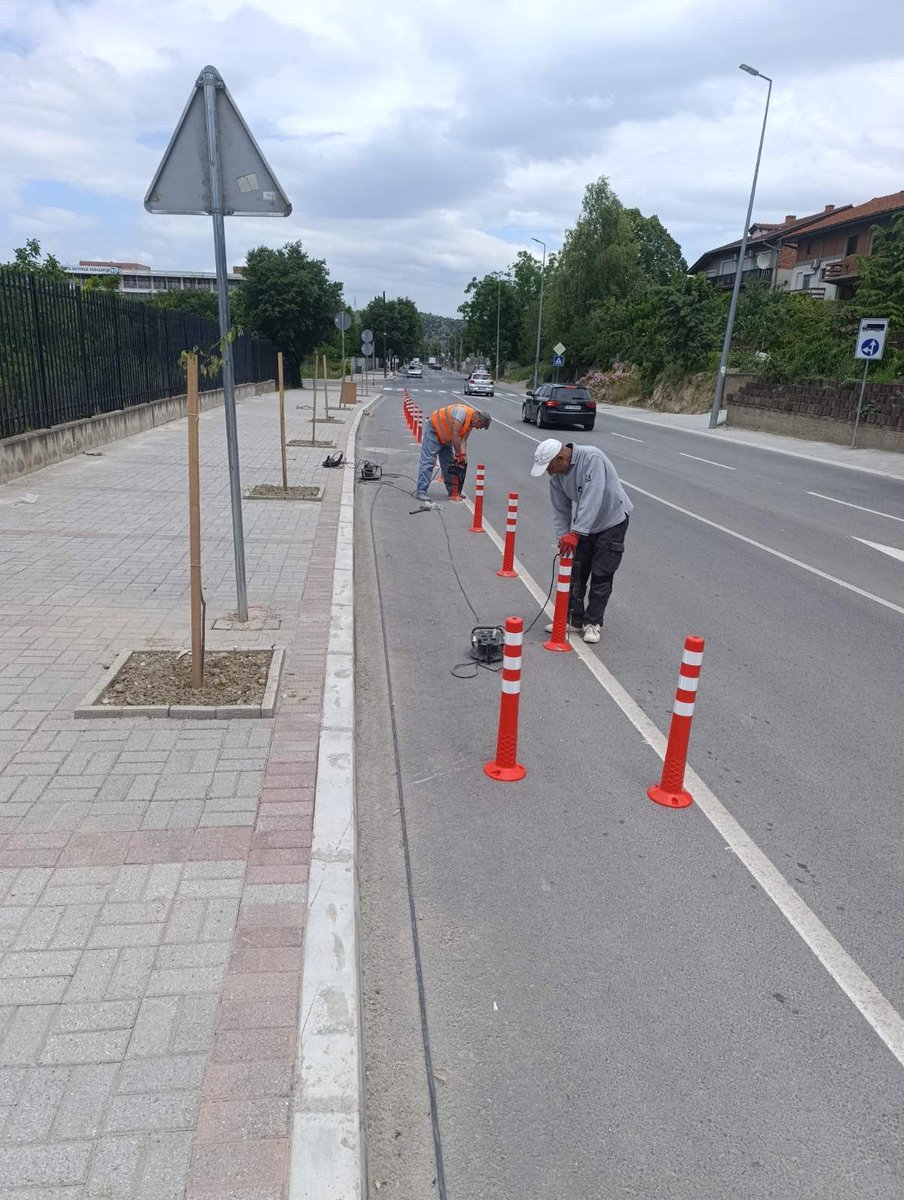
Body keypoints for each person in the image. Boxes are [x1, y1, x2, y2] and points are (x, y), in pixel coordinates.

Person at [530, 438, 632, 644]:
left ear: (561, 457)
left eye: (550, 467)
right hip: (585, 525)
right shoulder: (557, 478)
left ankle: (593, 623)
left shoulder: (591, 458)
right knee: (577, 570)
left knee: (602, 574)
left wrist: (575, 533)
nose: (549, 473)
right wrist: (563, 540)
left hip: (612, 521)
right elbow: (560, 511)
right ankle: (574, 619)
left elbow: (592, 497)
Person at [415, 403, 491, 501]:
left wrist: (463, 456)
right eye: (479, 426)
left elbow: (463, 440)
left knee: (449, 464)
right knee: (428, 462)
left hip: (446, 438)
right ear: (478, 420)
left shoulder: (471, 423)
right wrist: (458, 454)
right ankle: (421, 491)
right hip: (434, 431)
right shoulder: (462, 413)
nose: (477, 428)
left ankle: (453, 492)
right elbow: (455, 435)